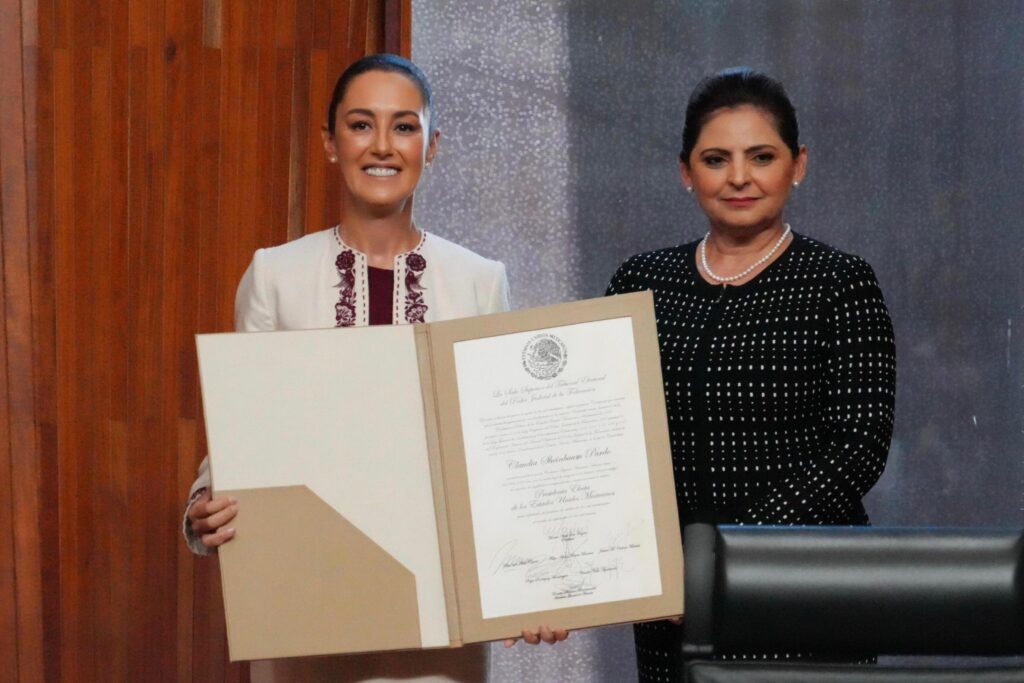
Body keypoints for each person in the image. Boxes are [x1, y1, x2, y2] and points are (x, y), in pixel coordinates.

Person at [181, 53, 565, 683]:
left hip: (442, 621)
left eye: (404, 126)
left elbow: (499, 448)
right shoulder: (275, 274)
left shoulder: (478, 280)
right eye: (361, 125)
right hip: (304, 609)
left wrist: (541, 575)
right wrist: (203, 504)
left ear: (431, 144)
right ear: (330, 143)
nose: (382, 145)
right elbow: (243, 431)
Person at [605, 68, 896, 682]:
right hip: (674, 604)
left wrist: (723, 559)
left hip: (801, 587)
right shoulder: (639, 282)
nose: (739, 177)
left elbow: (857, 449)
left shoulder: (840, 283)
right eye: (716, 159)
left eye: (761, 156)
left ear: (798, 164)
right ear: (686, 171)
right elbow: (606, 441)